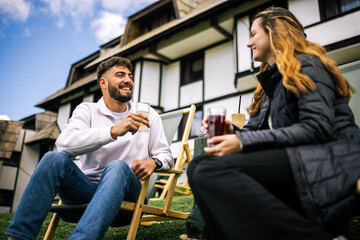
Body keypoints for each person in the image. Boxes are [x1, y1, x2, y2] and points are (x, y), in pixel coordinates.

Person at [187, 6, 360, 240]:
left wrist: (241, 141)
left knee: (206, 170)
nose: (248, 44)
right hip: (297, 159)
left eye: (253, 34)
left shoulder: (308, 65)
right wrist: (233, 131)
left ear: (275, 32)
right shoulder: (271, 84)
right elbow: (257, 130)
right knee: (200, 166)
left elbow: (317, 128)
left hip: (329, 159)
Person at [6, 56, 173, 240]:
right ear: (103, 82)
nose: (128, 80)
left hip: (128, 197)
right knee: (53, 158)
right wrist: (113, 131)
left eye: (130, 76)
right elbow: (64, 143)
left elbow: (165, 155)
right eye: (120, 75)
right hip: (85, 193)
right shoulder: (87, 110)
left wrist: (154, 161)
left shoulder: (145, 114)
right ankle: (18, 238)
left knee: (117, 166)